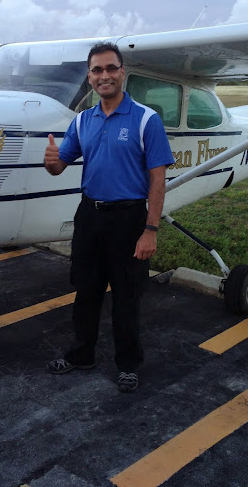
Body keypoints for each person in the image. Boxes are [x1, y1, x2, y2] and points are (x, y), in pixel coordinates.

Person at [44, 42, 174, 393]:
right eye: (97, 70)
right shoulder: (83, 120)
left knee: (126, 296)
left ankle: (128, 364)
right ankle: (81, 354)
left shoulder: (146, 119)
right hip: (90, 215)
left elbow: (158, 180)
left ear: (122, 73)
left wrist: (150, 230)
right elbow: (59, 167)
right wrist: (51, 160)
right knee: (86, 291)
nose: (105, 75)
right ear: (89, 77)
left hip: (129, 219)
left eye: (111, 68)